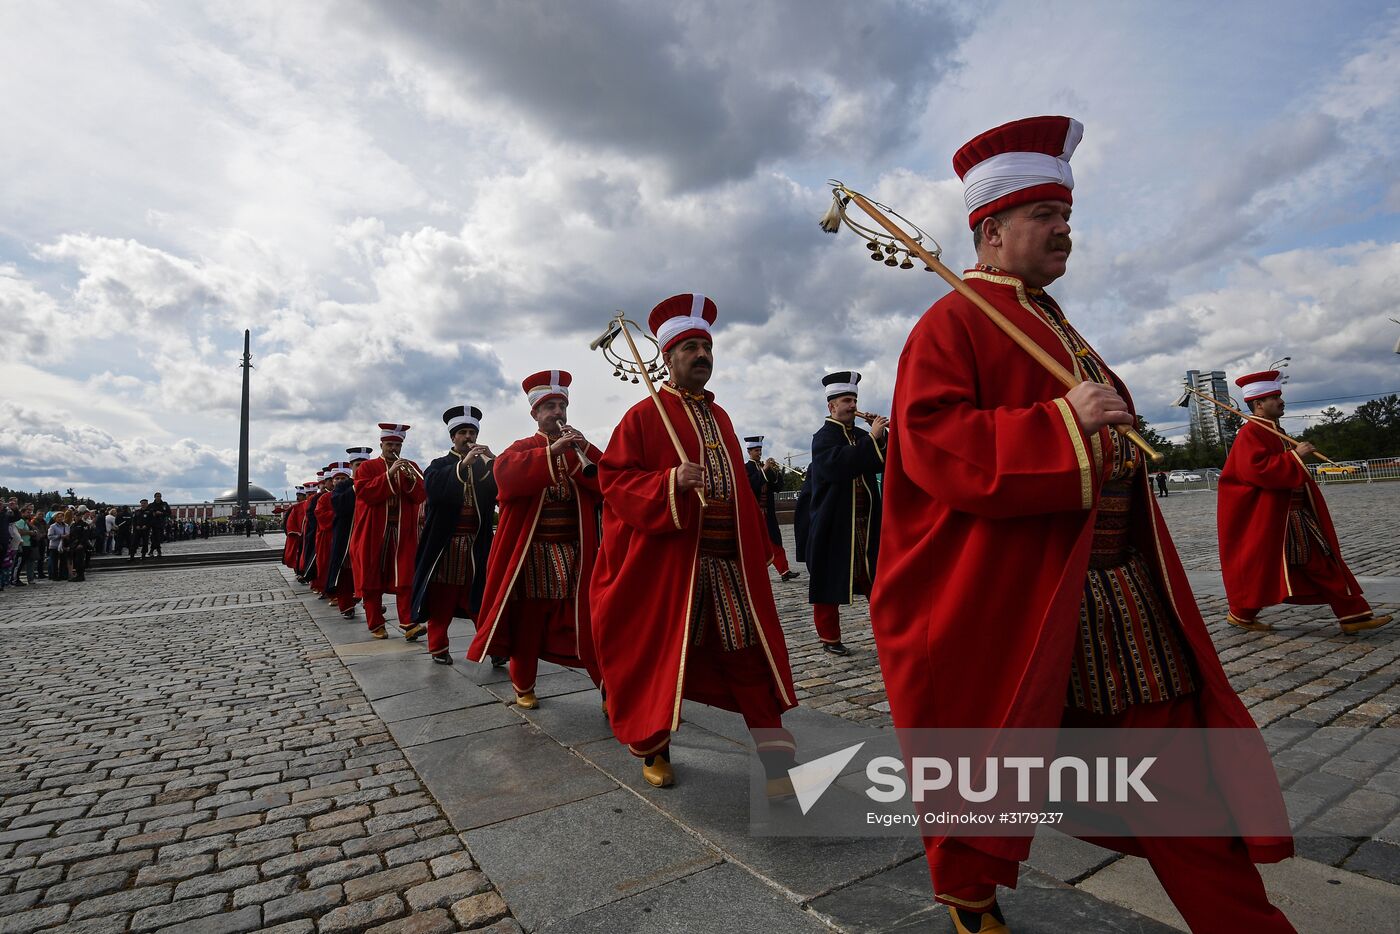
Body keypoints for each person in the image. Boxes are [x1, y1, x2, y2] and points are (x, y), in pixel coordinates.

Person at [870, 116, 1295, 933]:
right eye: (1046, 215)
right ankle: (969, 887)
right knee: (1003, 765)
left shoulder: (1057, 323)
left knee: (1179, 787)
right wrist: (1061, 420)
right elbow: (936, 446)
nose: (1066, 229)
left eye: (1067, 215)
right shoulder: (951, 324)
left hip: (1117, 595)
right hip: (1022, 602)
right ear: (991, 232)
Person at [592, 294, 797, 791]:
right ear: (667, 357)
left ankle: (776, 763)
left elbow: (741, 493)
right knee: (661, 659)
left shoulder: (722, 417)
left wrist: (763, 549)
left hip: (726, 563)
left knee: (746, 655)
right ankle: (654, 747)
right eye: (689, 347)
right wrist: (668, 482)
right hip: (672, 567)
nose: (701, 354)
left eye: (706, 346)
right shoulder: (645, 416)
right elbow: (613, 482)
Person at [466, 371, 605, 706]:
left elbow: (606, 483)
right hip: (533, 555)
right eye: (550, 407)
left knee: (588, 620)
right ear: (535, 414)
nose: (558, 412)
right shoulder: (522, 447)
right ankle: (524, 684)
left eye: (561, 406)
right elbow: (506, 476)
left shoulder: (578, 447)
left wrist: (584, 448)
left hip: (575, 551)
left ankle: (607, 689)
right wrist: (551, 453)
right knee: (528, 621)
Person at [1218, 371, 1391, 635]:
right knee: (1317, 562)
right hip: (1279, 517)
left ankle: (1242, 615)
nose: (1281, 401)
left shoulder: (1275, 431)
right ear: (1258, 404)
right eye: (1274, 397)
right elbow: (1257, 471)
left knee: (1301, 564)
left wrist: (1293, 457)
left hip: (1291, 514)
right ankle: (1352, 614)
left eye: (1279, 396)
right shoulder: (1249, 433)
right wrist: (1295, 457)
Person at [793, 372, 885, 655]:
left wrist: (881, 437)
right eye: (846, 400)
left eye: (854, 399)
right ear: (831, 406)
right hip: (834, 522)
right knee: (828, 580)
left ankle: (888, 633)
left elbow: (882, 461)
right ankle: (829, 637)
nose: (852, 405)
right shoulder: (823, 437)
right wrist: (872, 439)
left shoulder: (860, 434)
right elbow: (837, 465)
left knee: (877, 579)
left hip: (866, 521)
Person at [408, 406, 498, 658]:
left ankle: (494, 646)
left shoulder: (484, 465)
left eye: (472, 432)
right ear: (452, 437)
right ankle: (438, 647)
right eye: (463, 433)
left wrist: (495, 461)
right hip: (445, 546)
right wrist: (462, 467)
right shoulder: (439, 465)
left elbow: (503, 489)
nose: (468, 437)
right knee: (442, 599)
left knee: (480, 598)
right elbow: (435, 493)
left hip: (476, 543)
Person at [351, 425, 427, 639]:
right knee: (371, 575)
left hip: (402, 530)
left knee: (405, 575)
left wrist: (409, 478)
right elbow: (366, 493)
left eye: (397, 445)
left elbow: (421, 494)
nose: (393, 448)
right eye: (390, 445)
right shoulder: (368, 467)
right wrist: (390, 474)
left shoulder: (410, 466)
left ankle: (408, 622)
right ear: (381, 445)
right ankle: (376, 623)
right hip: (373, 530)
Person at [742, 436, 799, 583]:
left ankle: (784, 570)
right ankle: (751, 573)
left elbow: (777, 488)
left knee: (775, 540)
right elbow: (750, 485)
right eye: (756, 450)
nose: (759, 453)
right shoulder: (746, 468)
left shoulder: (763, 466)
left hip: (768, 512)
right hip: (754, 513)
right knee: (754, 544)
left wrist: (776, 472)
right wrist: (765, 470)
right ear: (749, 451)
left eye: (760, 450)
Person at [325, 450, 371, 618]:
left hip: (369, 532)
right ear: (351, 466)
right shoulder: (343, 486)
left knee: (370, 570)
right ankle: (346, 604)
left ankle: (370, 602)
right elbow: (340, 506)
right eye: (358, 465)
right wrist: (356, 487)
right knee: (345, 572)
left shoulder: (374, 481)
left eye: (365, 464)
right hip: (347, 535)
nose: (362, 468)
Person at [67, 507, 93, 582]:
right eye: (77, 516)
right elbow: (71, 535)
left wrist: (81, 544)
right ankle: (77, 574)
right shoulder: (73, 525)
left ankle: (80, 575)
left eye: (80, 516)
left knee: (79, 561)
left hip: (80, 545)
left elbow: (85, 536)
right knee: (75, 561)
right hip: (73, 545)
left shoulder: (84, 525)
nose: (78, 517)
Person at [147, 492, 171, 556]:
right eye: (157, 496)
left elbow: (169, 513)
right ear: (154, 497)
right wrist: (153, 513)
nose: (158, 497)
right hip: (153, 523)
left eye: (159, 496)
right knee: (155, 537)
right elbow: (147, 512)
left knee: (158, 538)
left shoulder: (164, 504)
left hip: (161, 523)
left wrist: (161, 513)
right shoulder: (151, 505)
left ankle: (153, 551)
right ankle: (157, 551)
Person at [47, 511, 69, 580]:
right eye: (58, 517)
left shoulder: (66, 525)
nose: (60, 518)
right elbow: (50, 536)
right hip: (54, 546)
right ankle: (54, 576)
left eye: (61, 517)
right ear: (55, 518)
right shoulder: (53, 526)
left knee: (63, 561)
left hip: (63, 545)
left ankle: (63, 575)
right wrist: (60, 536)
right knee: (54, 562)